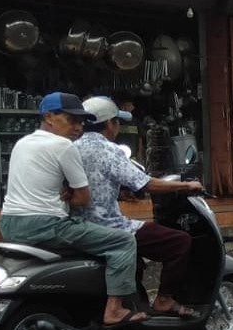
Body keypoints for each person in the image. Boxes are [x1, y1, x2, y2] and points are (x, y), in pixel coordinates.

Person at [0, 92, 143, 326]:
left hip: (9, 224)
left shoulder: (22, 143)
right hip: (47, 225)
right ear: (49, 116)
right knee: (123, 242)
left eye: (81, 122)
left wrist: (64, 193)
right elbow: (83, 198)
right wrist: (69, 198)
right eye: (71, 120)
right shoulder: (64, 146)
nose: (78, 127)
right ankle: (114, 310)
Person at [76, 97, 205, 317]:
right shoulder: (109, 150)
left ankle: (134, 298)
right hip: (110, 226)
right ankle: (164, 299)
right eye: (117, 122)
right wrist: (185, 185)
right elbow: (146, 184)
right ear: (109, 123)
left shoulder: (72, 147)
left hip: (79, 226)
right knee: (179, 242)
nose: (117, 127)